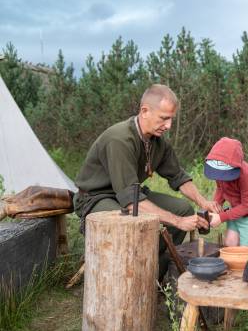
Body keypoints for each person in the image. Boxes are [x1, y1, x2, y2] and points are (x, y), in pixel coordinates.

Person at [73, 84, 217, 279]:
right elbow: (132, 203)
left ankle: (151, 272)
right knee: (129, 225)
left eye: (171, 119)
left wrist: (203, 202)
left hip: (129, 194)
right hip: (95, 197)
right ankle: (122, 273)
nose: (168, 126)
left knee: (183, 209)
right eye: (164, 118)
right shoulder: (120, 139)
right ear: (145, 111)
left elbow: (178, 177)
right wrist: (178, 222)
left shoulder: (158, 142)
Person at [204, 137, 248, 257]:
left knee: (245, 251)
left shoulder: (247, 175)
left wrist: (221, 217)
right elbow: (221, 188)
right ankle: (233, 270)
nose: (220, 177)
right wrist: (216, 204)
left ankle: (246, 269)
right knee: (230, 244)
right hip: (237, 209)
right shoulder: (219, 171)